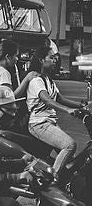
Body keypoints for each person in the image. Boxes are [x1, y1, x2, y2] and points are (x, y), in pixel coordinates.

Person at [26, 45, 85, 180]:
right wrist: (68, 110)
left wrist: (83, 106)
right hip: (39, 124)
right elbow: (47, 100)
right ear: (41, 60)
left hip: (49, 123)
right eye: (51, 58)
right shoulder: (36, 81)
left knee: (72, 162)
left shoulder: (49, 80)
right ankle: (51, 180)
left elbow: (60, 99)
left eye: (55, 58)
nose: (55, 61)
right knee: (70, 145)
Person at [0, 39, 38, 104]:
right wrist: (26, 79)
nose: (17, 59)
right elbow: (10, 98)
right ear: (8, 57)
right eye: (16, 56)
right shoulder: (3, 73)